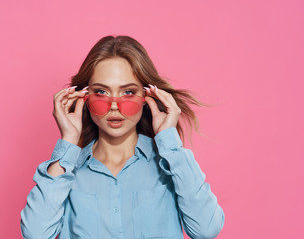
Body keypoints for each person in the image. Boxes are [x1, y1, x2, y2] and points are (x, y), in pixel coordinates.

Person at [20, 35, 225, 239]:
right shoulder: (68, 169)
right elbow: (35, 234)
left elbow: (206, 230)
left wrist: (169, 143)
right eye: (101, 92)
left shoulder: (170, 163)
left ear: (146, 98)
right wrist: (68, 141)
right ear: (84, 97)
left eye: (128, 92)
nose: (114, 106)